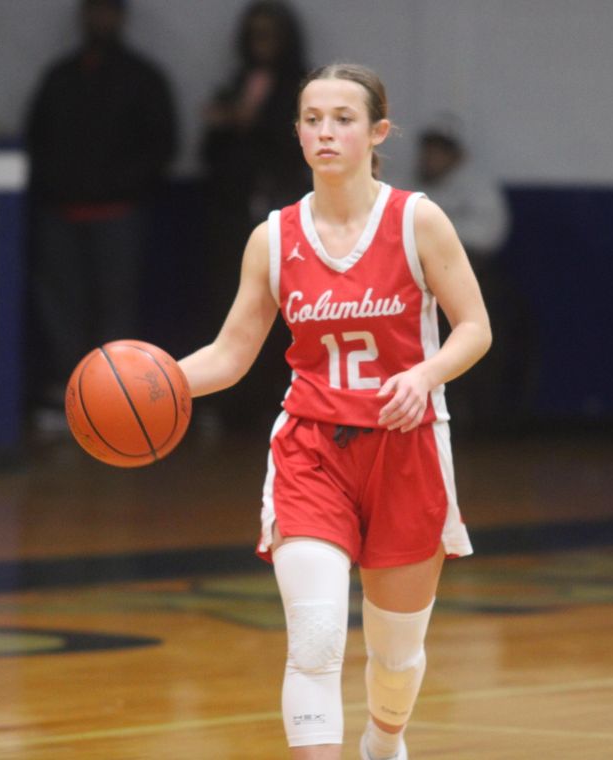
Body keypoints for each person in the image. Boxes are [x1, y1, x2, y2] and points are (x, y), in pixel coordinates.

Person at [178, 63, 491, 760]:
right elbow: (230, 355)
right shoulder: (273, 238)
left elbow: (475, 327)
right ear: (296, 133)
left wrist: (426, 373)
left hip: (407, 447)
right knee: (316, 640)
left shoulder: (417, 220)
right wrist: (159, 383)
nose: (326, 131)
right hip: (312, 447)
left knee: (396, 657)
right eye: (312, 118)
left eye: (343, 119)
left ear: (377, 132)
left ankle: (385, 741)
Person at [24, 0, 177, 417]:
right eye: (93, 11)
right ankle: (71, 394)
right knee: (61, 306)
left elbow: (161, 145)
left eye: (108, 12)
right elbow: (36, 138)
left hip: (118, 212)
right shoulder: (61, 76)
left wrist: (121, 187)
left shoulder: (142, 77)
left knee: (116, 308)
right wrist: (55, 188)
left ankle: (110, 398)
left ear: (121, 18)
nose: (100, 20)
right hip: (61, 212)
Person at [196, 0, 312, 433]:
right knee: (232, 310)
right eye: (255, 34)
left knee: (287, 313)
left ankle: (277, 401)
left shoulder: (302, 90)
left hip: (285, 213)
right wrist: (228, 123)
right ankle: (229, 407)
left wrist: (253, 122)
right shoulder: (233, 85)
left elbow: (296, 150)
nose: (262, 43)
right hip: (233, 220)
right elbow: (208, 152)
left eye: (270, 34)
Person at [414, 118, 532, 430]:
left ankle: (480, 417)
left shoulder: (478, 189)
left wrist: (438, 236)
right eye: (429, 150)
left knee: (480, 335)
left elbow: (490, 234)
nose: (432, 157)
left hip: (472, 275)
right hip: (417, 283)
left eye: (441, 151)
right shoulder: (407, 187)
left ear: (457, 155)